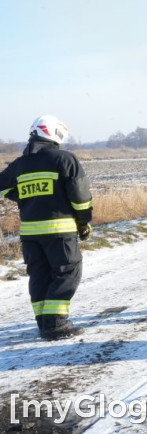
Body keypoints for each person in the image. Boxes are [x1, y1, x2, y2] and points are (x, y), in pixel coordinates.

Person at [0, 116, 92, 340]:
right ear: (55, 133)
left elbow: (1, 188)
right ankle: (56, 325)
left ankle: (43, 323)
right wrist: (84, 222)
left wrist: (25, 197)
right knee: (67, 273)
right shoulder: (64, 159)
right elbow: (80, 198)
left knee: (39, 277)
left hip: (30, 235)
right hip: (60, 232)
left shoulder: (20, 164)